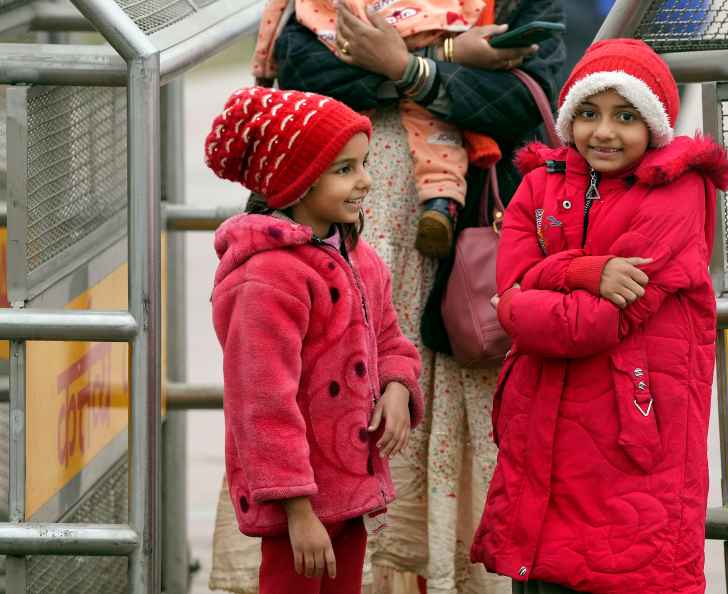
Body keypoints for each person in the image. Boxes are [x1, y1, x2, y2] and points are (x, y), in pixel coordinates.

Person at [207, 2, 565, 594]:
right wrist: (447, 57)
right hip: (357, 240)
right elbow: (309, 71)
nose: (362, 176)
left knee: (430, 423)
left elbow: (528, 94)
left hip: (459, 262)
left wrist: (406, 66)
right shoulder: (275, 272)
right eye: (351, 167)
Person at [470, 39, 728, 594]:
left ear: (656, 124)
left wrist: (529, 295)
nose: (603, 132)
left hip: (630, 432)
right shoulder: (541, 184)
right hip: (543, 424)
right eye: (588, 114)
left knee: (625, 569)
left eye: (625, 116)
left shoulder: (679, 194)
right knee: (543, 568)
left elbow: (596, 322)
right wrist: (585, 273)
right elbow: (511, 298)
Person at [205, 87, 425, 594]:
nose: (366, 181)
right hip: (296, 506)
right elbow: (262, 406)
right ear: (297, 181)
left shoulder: (356, 255)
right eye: (345, 169)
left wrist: (396, 387)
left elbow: (391, 338)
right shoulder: (265, 281)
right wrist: (297, 513)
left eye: (363, 164)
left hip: (350, 486)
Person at [288, 0, 517, 258]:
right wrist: (441, 56)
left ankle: (442, 206)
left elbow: (519, 101)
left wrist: (403, 65)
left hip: (447, 227)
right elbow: (299, 69)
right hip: (341, 209)